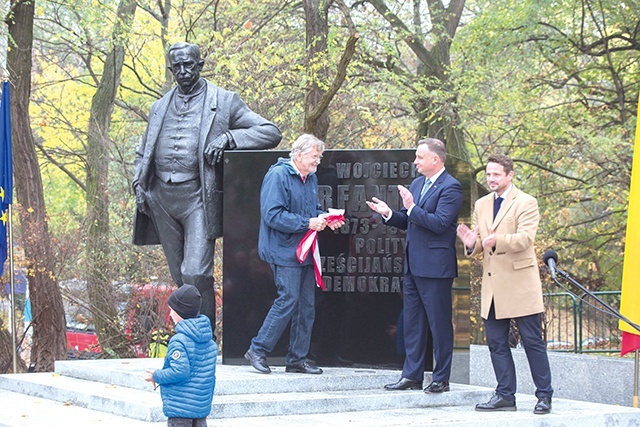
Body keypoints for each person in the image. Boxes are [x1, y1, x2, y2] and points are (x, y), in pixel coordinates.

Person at [133, 42, 282, 331]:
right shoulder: (159, 107)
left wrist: (229, 138)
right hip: (161, 198)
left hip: (198, 198)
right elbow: (143, 151)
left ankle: (203, 339)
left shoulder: (224, 101)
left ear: (200, 65)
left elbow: (270, 132)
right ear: (171, 69)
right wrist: (139, 182)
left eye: (189, 64)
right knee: (180, 276)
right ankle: (194, 335)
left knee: (195, 272)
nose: (184, 71)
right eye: (177, 66)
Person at [456, 153, 553, 414]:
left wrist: (496, 240)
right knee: (497, 343)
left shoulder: (526, 202)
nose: (491, 179)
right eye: (488, 174)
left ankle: (544, 396)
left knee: (532, 342)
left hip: (520, 283)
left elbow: (525, 239)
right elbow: (479, 245)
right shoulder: (483, 204)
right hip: (493, 286)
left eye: (496, 174)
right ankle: (505, 395)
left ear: (510, 175)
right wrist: (470, 243)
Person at [366, 138, 463, 394]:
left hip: (436, 268)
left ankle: (441, 377)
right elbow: (409, 221)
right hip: (412, 265)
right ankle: (411, 375)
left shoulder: (451, 187)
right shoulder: (418, 183)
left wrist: (411, 207)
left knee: (439, 324)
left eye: (420, 157)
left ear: (435, 159)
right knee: (413, 323)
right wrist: (388, 213)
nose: (415, 161)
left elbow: (440, 223)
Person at [244, 134, 344, 375]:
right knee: (287, 299)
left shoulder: (309, 178)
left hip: (305, 249)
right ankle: (257, 349)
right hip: (284, 250)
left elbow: (310, 211)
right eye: (314, 157)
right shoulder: (277, 176)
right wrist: (307, 223)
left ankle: (297, 359)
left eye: (319, 157)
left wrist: (325, 218)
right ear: (298, 155)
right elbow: (273, 215)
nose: (318, 162)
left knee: (307, 306)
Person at [144, 284, 217, 427]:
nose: (170, 314)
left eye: (172, 310)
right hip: (200, 410)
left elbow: (179, 371)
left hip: (180, 410)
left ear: (180, 311)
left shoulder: (179, 341)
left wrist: (156, 376)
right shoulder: (210, 343)